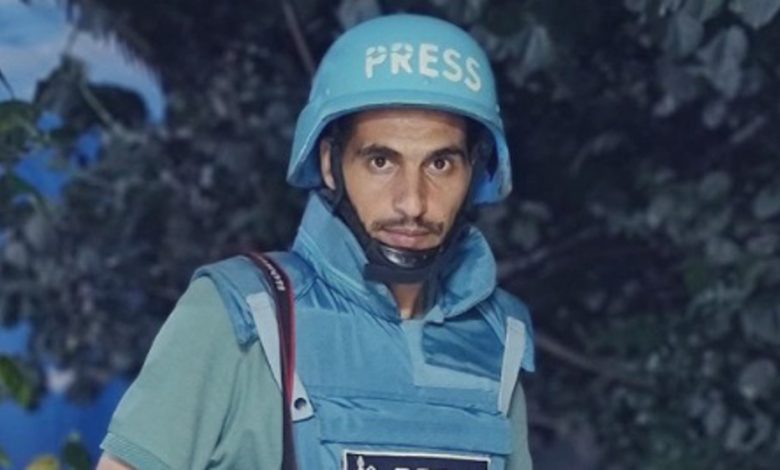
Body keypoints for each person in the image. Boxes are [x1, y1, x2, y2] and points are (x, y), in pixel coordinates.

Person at [97, 13, 535, 470]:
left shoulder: (497, 339)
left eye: (440, 164)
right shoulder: (239, 314)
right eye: (381, 161)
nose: (412, 202)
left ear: (474, 171)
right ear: (330, 163)